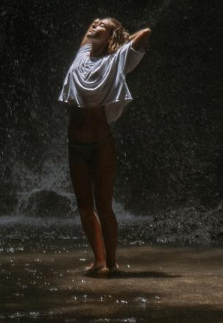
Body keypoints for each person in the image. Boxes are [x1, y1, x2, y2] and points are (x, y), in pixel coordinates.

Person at [58, 16, 152, 277]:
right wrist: (101, 29)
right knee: (84, 207)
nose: (94, 25)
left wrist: (120, 42)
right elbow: (90, 33)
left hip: (101, 144)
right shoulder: (82, 53)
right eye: (94, 23)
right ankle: (98, 260)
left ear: (111, 37)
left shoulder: (115, 60)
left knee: (104, 206)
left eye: (102, 25)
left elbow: (145, 33)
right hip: (74, 144)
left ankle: (112, 263)